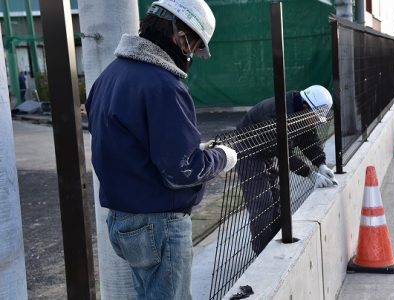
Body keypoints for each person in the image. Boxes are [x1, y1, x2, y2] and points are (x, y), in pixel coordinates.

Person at [86, 0, 237, 299]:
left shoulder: (109, 77)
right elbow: (183, 171)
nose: (191, 55)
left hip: (123, 221)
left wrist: (191, 149)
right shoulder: (163, 85)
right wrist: (222, 157)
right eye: (193, 45)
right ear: (181, 37)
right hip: (159, 224)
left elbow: (129, 142)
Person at [235, 85, 337, 255]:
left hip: (268, 152)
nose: (315, 121)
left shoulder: (300, 112)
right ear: (306, 106)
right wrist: (309, 173)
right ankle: (261, 253)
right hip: (249, 152)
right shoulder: (278, 114)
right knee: (262, 203)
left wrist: (321, 163)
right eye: (315, 117)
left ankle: (274, 245)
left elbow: (308, 138)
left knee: (277, 201)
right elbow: (284, 154)